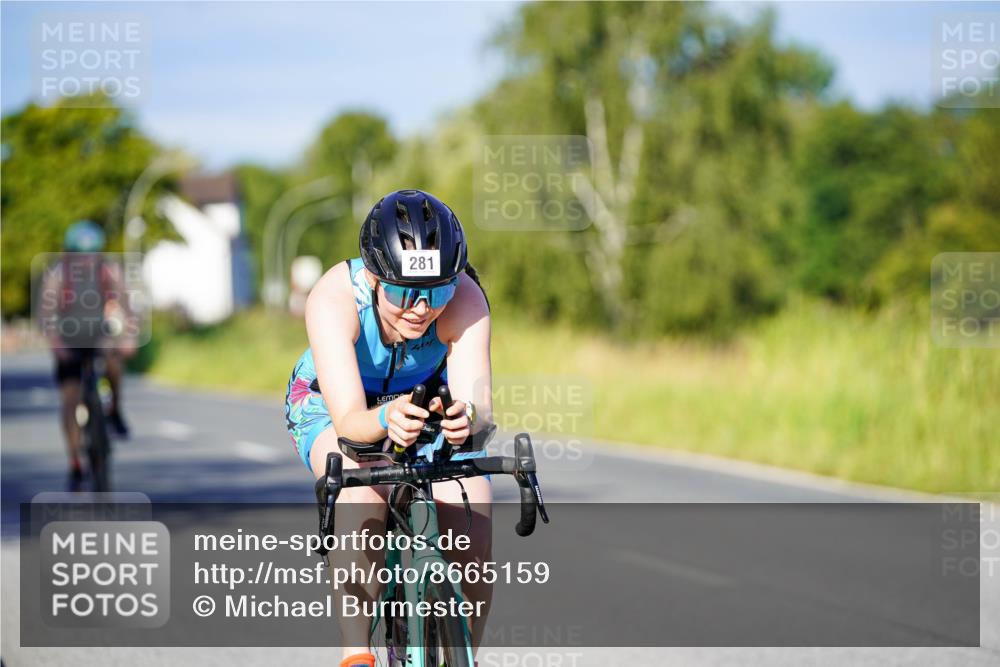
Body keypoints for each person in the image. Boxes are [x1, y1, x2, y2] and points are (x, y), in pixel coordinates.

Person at [284, 190, 493, 667]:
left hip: (424, 400)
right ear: (375, 278)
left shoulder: (465, 299)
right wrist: (383, 417)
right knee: (362, 495)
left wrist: (468, 421)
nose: (421, 308)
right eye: (403, 292)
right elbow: (353, 426)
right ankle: (356, 651)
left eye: (437, 290)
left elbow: (480, 410)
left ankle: (467, 657)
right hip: (333, 402)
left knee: (473, 505)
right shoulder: (334, 297)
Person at [40, 220, 135, 489]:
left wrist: (128, 337)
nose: (86, 261)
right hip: (69, 341)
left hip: (100, 336)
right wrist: (57, 345)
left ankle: (114, 408)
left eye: (92, 255)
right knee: (70, 400)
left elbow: (128, 307)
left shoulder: (110, 272)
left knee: (114, 364)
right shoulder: (58, 276)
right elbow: (46, 316)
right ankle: (75, 462)